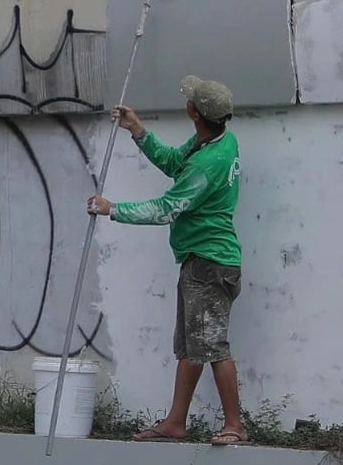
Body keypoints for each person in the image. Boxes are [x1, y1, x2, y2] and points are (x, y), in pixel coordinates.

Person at [86, 75, 246, 447]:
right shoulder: (217, 139)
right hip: (201, 261)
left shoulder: (208, 162)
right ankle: (176, 421)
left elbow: (166, 208)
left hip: (210, 263)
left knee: (214, 345)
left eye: (190, 99)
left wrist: (113, 209)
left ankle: (235, 425)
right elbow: (175, 162)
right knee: (192, 346)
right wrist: (138, 131)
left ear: (193, 112)